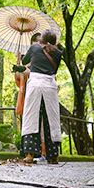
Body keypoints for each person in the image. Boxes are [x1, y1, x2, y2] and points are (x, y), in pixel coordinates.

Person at [16, 30, 63, 164]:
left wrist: (20, 57)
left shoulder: (34, 48)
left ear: (41, 40)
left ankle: (30, 155)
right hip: (50, 86)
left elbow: (25, 62)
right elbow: (54, 70)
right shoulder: (58, 53)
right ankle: (53, 156)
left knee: (31, 117)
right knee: (51, 119)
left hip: (35, 85)